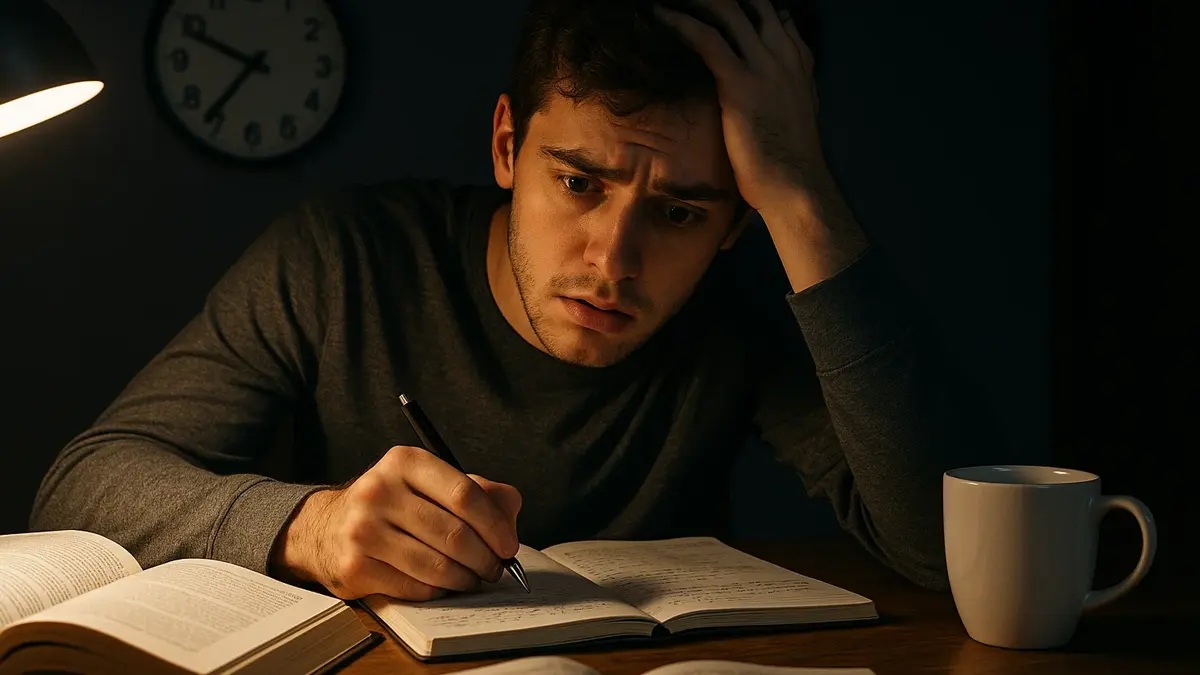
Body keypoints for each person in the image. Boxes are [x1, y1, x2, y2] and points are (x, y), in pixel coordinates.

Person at [30, 0, 997, 600]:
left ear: (738, 217)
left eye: (679, 212)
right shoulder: (344, 259)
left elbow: (954, 553)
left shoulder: (742, 300)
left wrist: (801, 190)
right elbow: (84, 483)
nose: (614, 260)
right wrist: (312, 525)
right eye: (579, 183)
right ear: (505, 146)